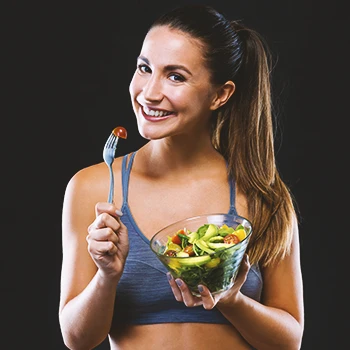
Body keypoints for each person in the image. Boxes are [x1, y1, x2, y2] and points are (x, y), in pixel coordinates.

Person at [58, 4, 304, 349]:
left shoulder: (262, 192)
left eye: (175, 76)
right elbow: (76, 338)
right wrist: (107, 276)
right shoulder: (93, 187)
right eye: (145, 68)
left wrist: (231, 300)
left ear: (221, 94)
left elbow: (289, 340)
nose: (149, 93)